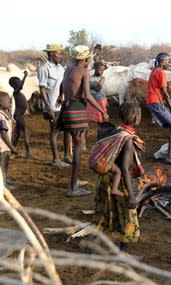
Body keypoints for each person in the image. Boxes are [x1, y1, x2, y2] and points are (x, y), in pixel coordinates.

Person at [92, 102, 144, 252]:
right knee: (129, 218)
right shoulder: (128, 140)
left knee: (102, 215)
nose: (140, 117)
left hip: (105, 179)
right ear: (134, 117)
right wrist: (132, 195)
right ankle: (122, 253)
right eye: (139, 114)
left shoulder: (117, 131)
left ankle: (89, 244)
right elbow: (125, 169)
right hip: (119, 182)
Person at [62, 45, 109, 197]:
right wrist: (102, 110)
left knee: (77, 145)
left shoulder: (68, 69)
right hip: (77, 109)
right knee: (77, 149)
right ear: (86, 59)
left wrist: (60, 96)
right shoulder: (83, 71)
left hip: (67, 107)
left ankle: (75, 181)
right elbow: (88, 96)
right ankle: (73, 188)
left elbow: (64, 85)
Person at [38, 43, 72, 168]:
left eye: (61, 53)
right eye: (58, 53)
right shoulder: (44, 68)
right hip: (52, 105)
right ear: (51, 53)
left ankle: (67, 156)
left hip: (62, 104)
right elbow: (42, 89)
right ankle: (55, 159)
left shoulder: (61, 67)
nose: (60, 55)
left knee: (67, 130)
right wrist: (47, 107)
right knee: (54, 131)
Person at [145, 52, 171, 164]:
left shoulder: (154, 70)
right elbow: (165, 93)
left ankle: (169, 152)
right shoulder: (161, 72)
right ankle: (170, 156)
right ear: (162, 61)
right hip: (155, 101)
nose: (169, 63)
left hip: (153, 101)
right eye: (167, 61)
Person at [9, 71, 32, 158]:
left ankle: (13, 152)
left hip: (20, 115)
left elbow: (24, 102)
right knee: (25, 131)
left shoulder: (19, 92)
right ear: (14, 85)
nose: (20, 83)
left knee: (17, 134)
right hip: (18, 116)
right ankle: (28, 153)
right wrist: (25, 76)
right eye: (18, 82)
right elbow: (21, 86)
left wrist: (27, 110)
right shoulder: (16, 91)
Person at [0, 92, 18, 188]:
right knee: (2, 165)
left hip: (5, 145)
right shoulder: (1, 116)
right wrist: (12, 146)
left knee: (6, 163)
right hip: (2, 146)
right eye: (8, 101)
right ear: (1, 103)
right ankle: (2, 185)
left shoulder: (5, 114)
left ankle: (4, 180)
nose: (10, 103)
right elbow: (3, 133)